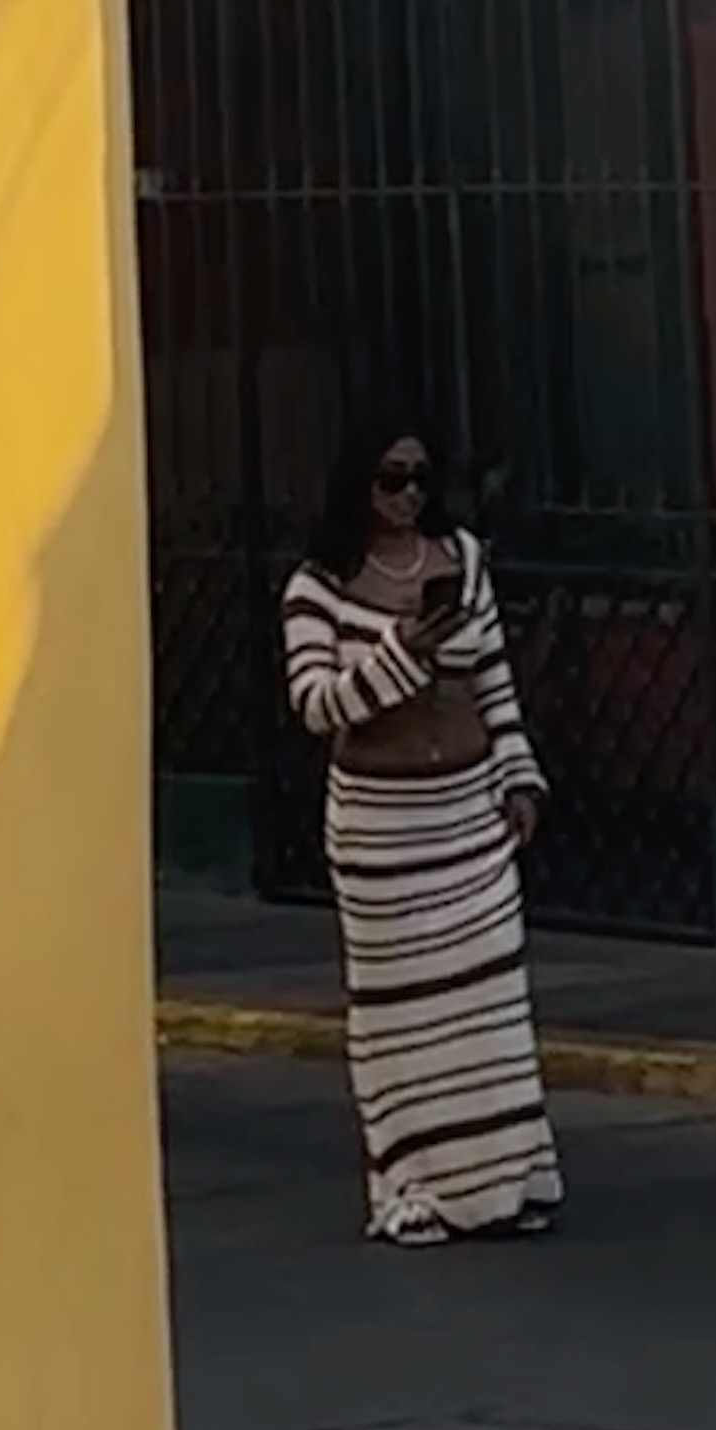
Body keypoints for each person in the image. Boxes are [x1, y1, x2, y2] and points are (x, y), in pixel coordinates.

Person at [280, 411, 560, 1246]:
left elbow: (493, 681)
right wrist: (401, 652)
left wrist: (518, 777)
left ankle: (506, 1183)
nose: (406, 495)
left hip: (467, 816)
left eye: (419, 479)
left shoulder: (464, 561)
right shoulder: (317, 589)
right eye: (390, 479)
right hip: (382, 832)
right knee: (403, 1015)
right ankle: (415, 1186)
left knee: (487, 1005)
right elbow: (317, 705)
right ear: (358, 484)